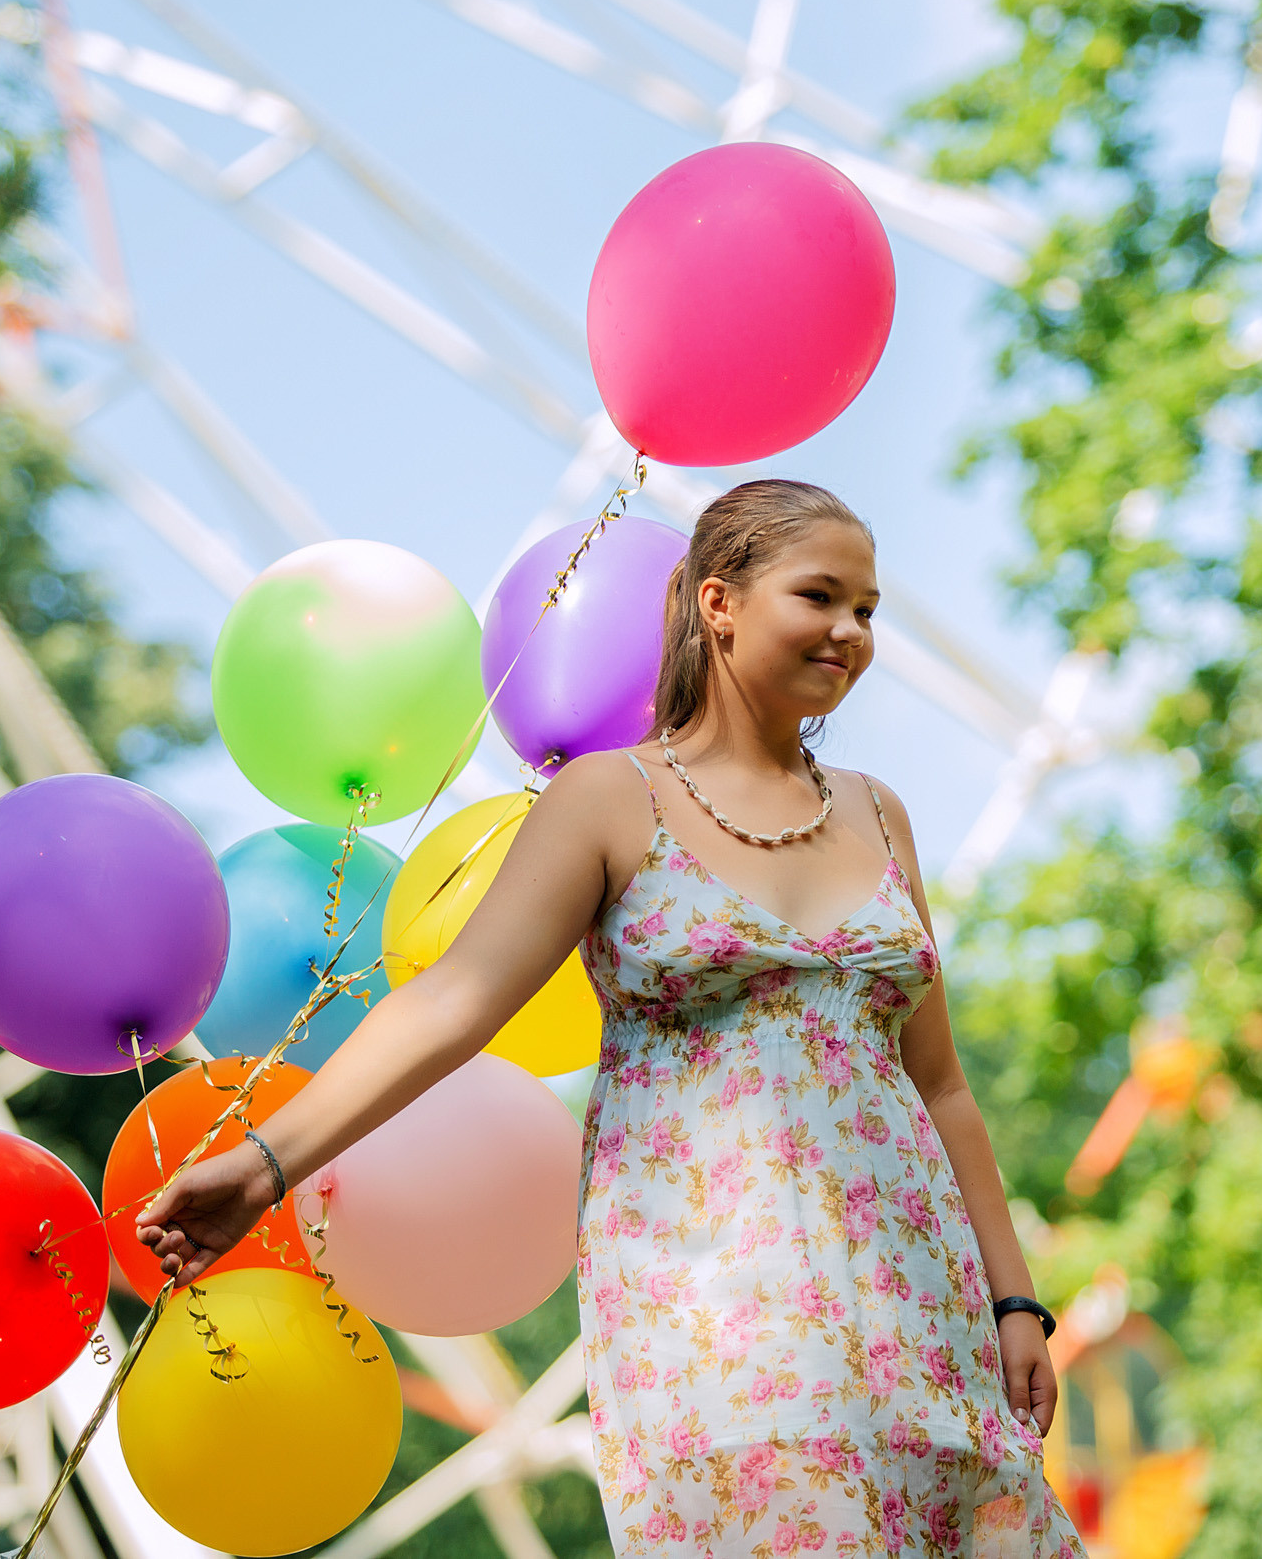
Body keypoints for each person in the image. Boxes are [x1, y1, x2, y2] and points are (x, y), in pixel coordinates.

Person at [139, 479, 1087, 1557]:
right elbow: (452, 1002)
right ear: (718, 601)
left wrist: (1016, 1305)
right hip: (718, 1306)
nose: (850, 631)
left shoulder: (878, 812)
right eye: (820, 595)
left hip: (919, 1293)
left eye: (867, 609)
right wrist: (264, 1162)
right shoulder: (607, 798)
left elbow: (942, 1084)